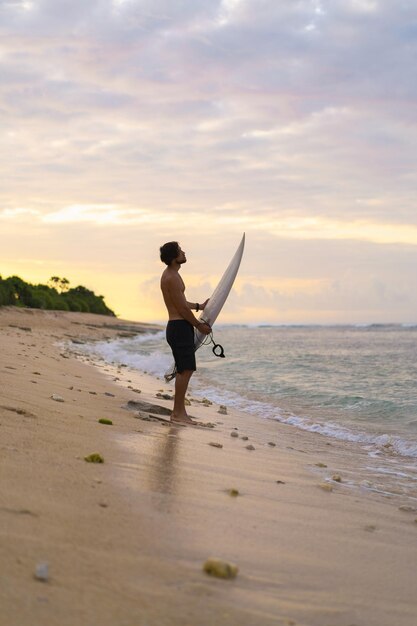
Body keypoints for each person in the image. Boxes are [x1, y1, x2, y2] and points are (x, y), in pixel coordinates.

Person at [160, 241, 211, 424]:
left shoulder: (172, 275)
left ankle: (178, 412)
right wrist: (199, 325)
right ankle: (178, 414)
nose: (184, 252)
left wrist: (199, 306)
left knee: (184, 369)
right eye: (180, 251)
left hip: (179, 326)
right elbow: (181, 308)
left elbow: (181, 302)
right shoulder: (171, 278)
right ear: (174, 258)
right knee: (185, 369)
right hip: (179, 327)